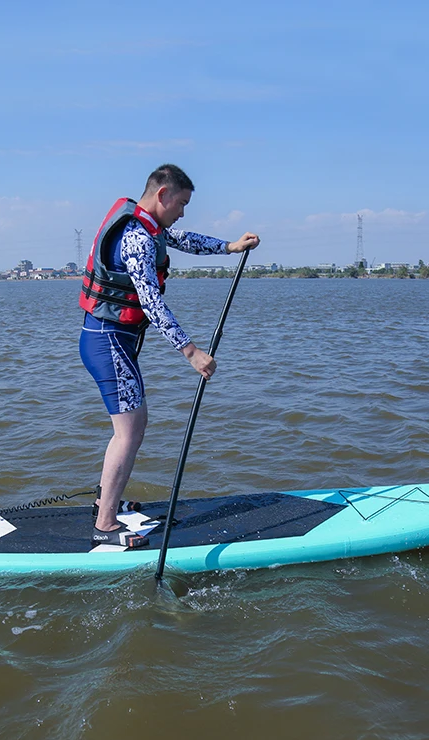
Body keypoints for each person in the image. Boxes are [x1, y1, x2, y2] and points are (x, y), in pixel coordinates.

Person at [78, 164, 260, 546]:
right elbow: (150, 301)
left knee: (133, 427)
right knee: (129, 431)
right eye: (181, 203)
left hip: (113, 341)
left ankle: (103, 502)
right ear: (162, 195)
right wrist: (191, 352)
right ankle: (105, 524)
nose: (182, 212)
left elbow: (184, 240)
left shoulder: (150, 227)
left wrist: (230, 247)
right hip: (108, 342)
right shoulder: (136, 238)